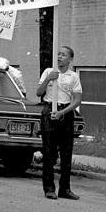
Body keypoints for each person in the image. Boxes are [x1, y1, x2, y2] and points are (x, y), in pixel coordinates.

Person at [36, 46, 82, 200]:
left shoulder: (73, 76)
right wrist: (49, 78)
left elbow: (77, 100)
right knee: (49, 152)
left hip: (65, 113)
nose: (60, 57)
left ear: (70, 59)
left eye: (63, 55)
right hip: (49, 110)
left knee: (66, 153)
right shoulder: (49, 72)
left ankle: (65, 189)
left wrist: (62, 112)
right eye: (58, 54)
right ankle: (49, 188)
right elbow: (38, 93)